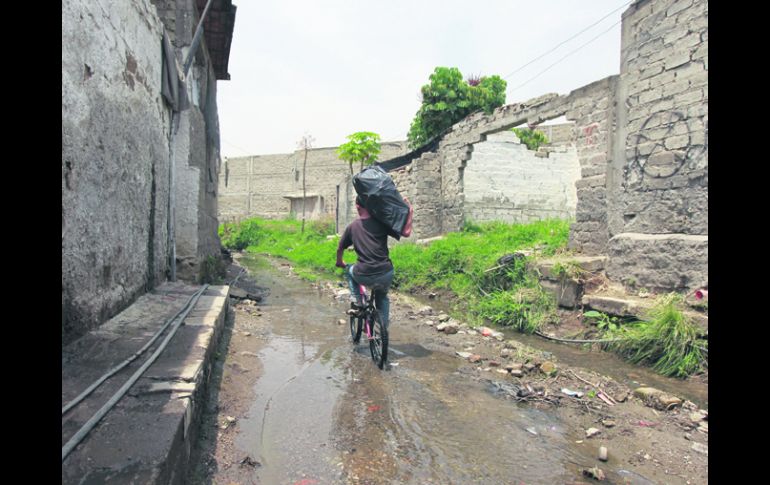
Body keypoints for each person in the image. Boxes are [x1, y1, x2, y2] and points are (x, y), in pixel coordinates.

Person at [335, 194, 413, 329]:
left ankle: (358, 302)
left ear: (357, 207)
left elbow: (340, 248)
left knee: (349, 270)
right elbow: (406, 232)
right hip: (386, 273)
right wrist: (410, 210)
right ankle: (382, 328)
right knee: (382, 297)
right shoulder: (381, 221)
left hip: (363, 274)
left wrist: (340, 262)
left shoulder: (352, 226)